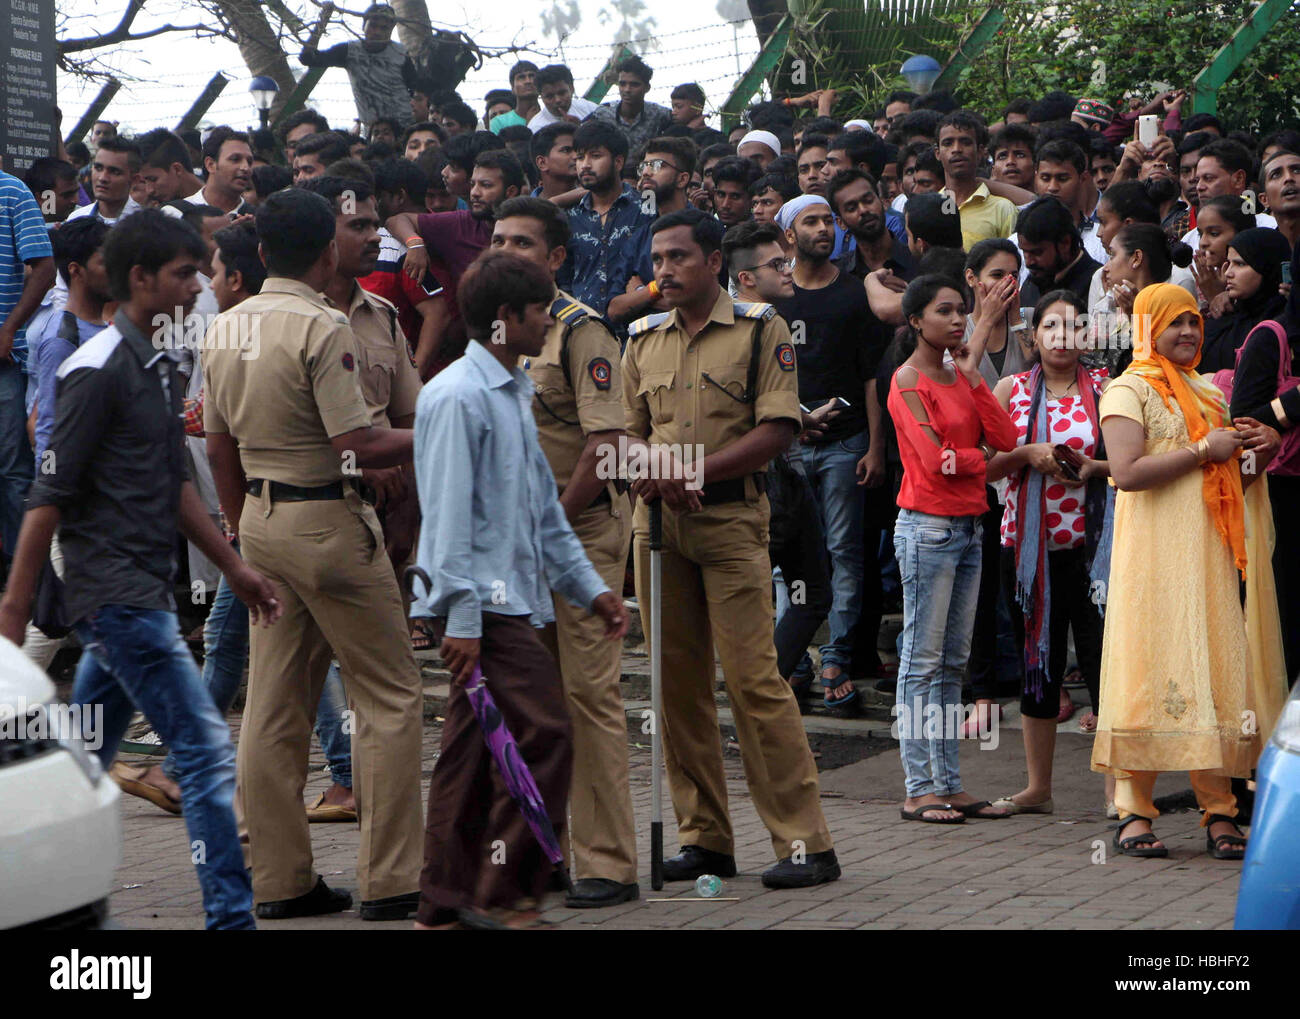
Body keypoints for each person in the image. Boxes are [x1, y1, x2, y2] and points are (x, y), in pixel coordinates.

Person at [0, 209, 282, 930]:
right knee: (204, 749)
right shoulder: (91, 370)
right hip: (118, 599)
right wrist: (14, 606)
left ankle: (44, 896)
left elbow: (175, 488)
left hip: (137, 593)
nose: (197, 287)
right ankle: (230, 916)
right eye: (185, 273)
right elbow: (48, 496)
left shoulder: (160, 365)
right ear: (140, 278)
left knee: (82, 760)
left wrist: (235, 566)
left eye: (199, 270)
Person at [202, 188, 425, 921]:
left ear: (260, 253)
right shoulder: (324, 326)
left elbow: (219, 443)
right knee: (389, 699)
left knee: (270, 708)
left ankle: (280, 880)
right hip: (329, 521)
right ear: (328, 252)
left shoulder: (226, 327)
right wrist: (448, 429)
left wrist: (244, 532)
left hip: (263, 521)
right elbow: (356, 444)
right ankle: (393, 881)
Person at [622, 206, 840, 887]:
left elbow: (778, 429)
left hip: (730, 520)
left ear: (714, 262)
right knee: (674, 687)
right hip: (656, 527)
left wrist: (690, 471)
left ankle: (806, 842)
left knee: (754, 683)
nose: (664, 272)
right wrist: (653, 468)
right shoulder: (641, 337)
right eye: (657, 261)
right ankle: (705, 838)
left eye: (678, 258)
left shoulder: (760, 328)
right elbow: (619, 435)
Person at [410, 250, 625, 929]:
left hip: (509, 602)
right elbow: (445, 522)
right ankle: (507, 897)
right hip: (487, 606)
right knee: (547, 733)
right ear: (506, 319)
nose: (547, 321)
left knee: (468, 758)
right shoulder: (457, 396)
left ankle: (443, 905)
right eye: (539, 311)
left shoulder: (510, 391)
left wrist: (591, 590)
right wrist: (463, 620)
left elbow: (541, 515)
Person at [1094, 282, 1283, 859]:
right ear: (1148, 327)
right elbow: (1126, 472)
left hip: (1208, 556)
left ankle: (1219, 811)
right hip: (1152, 559)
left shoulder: (1208, 393)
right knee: (1149, 666)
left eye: (1195, 322)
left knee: (1214, 670)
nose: (1188, 333)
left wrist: (1264, 450)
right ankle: (1132, 810)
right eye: (1175, 323)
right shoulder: (1128, 389)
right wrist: (1206, 450)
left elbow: (1233, 477)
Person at [487, 197, 639, 909]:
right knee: (526, 704)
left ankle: (606, 859)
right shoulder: (492, 334)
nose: (506, 250)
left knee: (588, 697)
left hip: (577, 538)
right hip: (514, 544)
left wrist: (547, 529)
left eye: (523, 242)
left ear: (554, 259)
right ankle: (540, 850)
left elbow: (604, 448)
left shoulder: (583, 333)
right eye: (498, 239)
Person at [888, 274, 1018, 823]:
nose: (959, 320)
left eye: (962, 312)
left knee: (952, 663)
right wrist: (976, 456)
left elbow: (1007, 437)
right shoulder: (907, 381)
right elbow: (935, 459)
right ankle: (919, 789)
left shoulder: (954, 375)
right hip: (927, 528)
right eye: (945, 312)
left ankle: (948, 783)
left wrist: (969, 376)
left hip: (969, 525)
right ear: (916, 320)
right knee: (922, 660)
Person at [986, 290, 1111, 813]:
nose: (1062, 337)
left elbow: (1130, 464)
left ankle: (1117, 793)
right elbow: (984, 465)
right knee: (1040, 666)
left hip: (1095, 552)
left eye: (1073, 327)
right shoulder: (1009, 389)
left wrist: (1092, 467)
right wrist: (1025, 455)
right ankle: (1039, 789)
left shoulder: (1108, 390)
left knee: (1109, 667)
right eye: (1051, 327)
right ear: (1031, 337)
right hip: (1028, 553)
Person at [774, 194, 888, 711]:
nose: (824, 228)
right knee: (786, 558)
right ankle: (793, 661)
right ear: (788, 235)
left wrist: (875, 446)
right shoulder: (774, 298)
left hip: (846, 444)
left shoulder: (850, 295)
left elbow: (870, 376)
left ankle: (837, 657)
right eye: (811, 221)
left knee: (844, 552)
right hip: (790, 446)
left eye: (827, 220)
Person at [722, 219, 833, 699]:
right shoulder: (767, 323)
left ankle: (761, 686)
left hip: (758, 474)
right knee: (811, 591)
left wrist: (798, 417)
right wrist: (793, 422)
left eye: (785, 261)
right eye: (775, 265)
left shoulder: (725, 324)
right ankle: (762, 690)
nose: (788, 271)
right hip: (773, 478)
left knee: (770, 592)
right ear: (746, 278)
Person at [20, 218, 110, 678]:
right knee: (54, 623)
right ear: (77, 269)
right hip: (75, 500)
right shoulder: (63, 337)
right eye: (103, 258)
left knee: (102, 617)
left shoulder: (100, 329)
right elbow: (47, 427)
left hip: (95, 498)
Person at [1230, 240, 1300, 685]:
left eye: (1242, 263)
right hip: (1284, 499)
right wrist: (1293, 403)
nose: (1229, 272)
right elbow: (1242, 420)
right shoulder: (1270, 337)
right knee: (1288, 617)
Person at [0, 165, 55, 567]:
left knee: (11, 468)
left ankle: (27, 574)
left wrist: (9, 328)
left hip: (4, 358)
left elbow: (44, 269)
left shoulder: (13, 192)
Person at [555, 120, 656, 318]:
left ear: (618, 162)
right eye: (580, 157)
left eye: (595, 156)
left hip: (635, 329)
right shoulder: (570, 217)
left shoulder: (645, 208)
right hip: (583, 330)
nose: (585, 165)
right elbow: (564, 278)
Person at [298, 2, 416, 131]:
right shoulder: (350, 51)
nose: (377, 32)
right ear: (363, 25)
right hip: (372, 130)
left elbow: (416, 88)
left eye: (384, 28)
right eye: (373, 26)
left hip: (405, 126)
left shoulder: (401, 54)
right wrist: (322, 21)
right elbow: (307, 58)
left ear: (391, 30)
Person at [1098, 223, 1195, 376]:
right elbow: (1096, 366)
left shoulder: (1172, 310)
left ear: (1136, 258)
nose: (1105, 267)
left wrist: (1137, 317)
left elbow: (1156, 369)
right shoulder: (1113, 304)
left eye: (1112, 255)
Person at [1201, 228, 1291, 374]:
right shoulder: (1221, 323)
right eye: (1229, 263)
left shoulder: (1285, 329)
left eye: (1240, 264)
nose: (1229, 273)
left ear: (1266, 267)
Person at [936, 112, 1017, 249]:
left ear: (980, 151)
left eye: (965, 142)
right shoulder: (931, 206)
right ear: (937, 153)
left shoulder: (1003, 209)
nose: (956, 149)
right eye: (948, 143)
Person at [829, 168, 915, 282]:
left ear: (883, 202)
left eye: (868, 200)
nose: (863, 210)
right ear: (840, 223)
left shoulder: (917, 261)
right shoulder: (838, 275)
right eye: (852, 208)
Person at [1017, 196, 1102, 310]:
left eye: (1037, 252)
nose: (1028, 262)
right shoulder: (1032, 283)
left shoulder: (1097, 284)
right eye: (1024, 252)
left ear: (1065, 243)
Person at [1034, 139, 1105, 263]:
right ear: (1036, 177)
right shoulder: (1017, 242)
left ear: (1083, 178)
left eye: (1062, 179)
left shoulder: (1102, 240)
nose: (1052, 187)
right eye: (1045, 178)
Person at [1190, 194, 1257, 309]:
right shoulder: (1205, 281)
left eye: (1214, 234)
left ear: (1242, 234)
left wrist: (1214, 297)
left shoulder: (1252, 285)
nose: (1203, 242)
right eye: (1200, 234)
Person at [602, 55, 673, 155]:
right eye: (622, 84)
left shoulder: (659, 114)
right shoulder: (602, 114)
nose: (627, 90)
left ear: (647, 88)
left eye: (634, 85)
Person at [66, 136, 141, 225]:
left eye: (115, 172)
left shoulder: (145, 225)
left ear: (134, 180)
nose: (102, 178)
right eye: (98, 168)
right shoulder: (76, 219)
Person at [193, 127, 253, 215]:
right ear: (210, 164)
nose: (246, 167)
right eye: (235, 159)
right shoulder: (177, 214)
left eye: (249, 162)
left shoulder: (257, 219)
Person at [530, 64, 606, 132]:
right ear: (541, 97)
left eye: (562, 93)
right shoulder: (537, 128)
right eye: (550, 96)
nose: (558, 100)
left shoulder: (589, 109)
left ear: (572, 89)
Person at [1260, 148, 1300, 250]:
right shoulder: (1259, 253)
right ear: (1265, 199)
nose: (1288, 178)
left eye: (1297, 170)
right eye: (1276, 175)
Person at [489, 60, 541, 133]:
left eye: (532, 76)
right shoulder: (499, 122)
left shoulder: (552, 115)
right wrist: (530, 126)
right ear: (512, 87)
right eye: (521, 77)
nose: (528, 81)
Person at [530, 122, 577, 200]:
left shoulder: (594, 204)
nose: (576, 156)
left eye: (578, 150)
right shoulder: (525, 209)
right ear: (542, 163)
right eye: (566, 150)